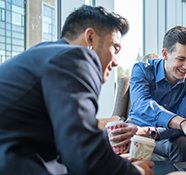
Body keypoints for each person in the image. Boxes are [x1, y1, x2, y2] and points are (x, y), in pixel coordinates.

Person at [0, 5, 153, 175]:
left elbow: (69, 148)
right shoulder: (75, 58)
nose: (116, 61)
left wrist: (113, 163)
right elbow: (84, 154)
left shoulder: (47, 54)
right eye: (115, 49)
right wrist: (134, 172)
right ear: (90, 38)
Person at [128, 26, 186, 162]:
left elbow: (184, 117)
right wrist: (182, 123)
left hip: (165, 136)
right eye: (181, 59)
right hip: (135, 129)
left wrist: (153, 132)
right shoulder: (142, 69)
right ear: (165, 54)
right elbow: (141, 105)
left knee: (183, 144)